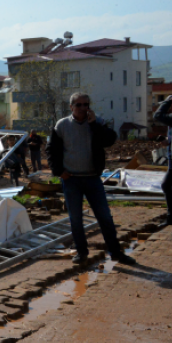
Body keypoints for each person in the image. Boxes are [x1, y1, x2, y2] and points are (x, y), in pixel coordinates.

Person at [46, 93, 136, 265]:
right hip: (71, 179)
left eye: (85, 104)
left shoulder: (98, 123)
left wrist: (94, 124)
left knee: (105, 217)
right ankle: (82, 252)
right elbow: (51, 150)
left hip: (92, 178)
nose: (82, 108)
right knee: (76, 218)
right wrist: (58, 171)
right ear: (71, 107)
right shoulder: (62, 125)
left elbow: (109, 140)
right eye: (78, 105)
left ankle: (116, 253)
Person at [153, 95, 172, 225]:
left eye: (169, 106)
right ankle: (171, 217)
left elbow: (157, 116)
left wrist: (167, 102)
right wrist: (167, 141)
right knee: (166, 185)